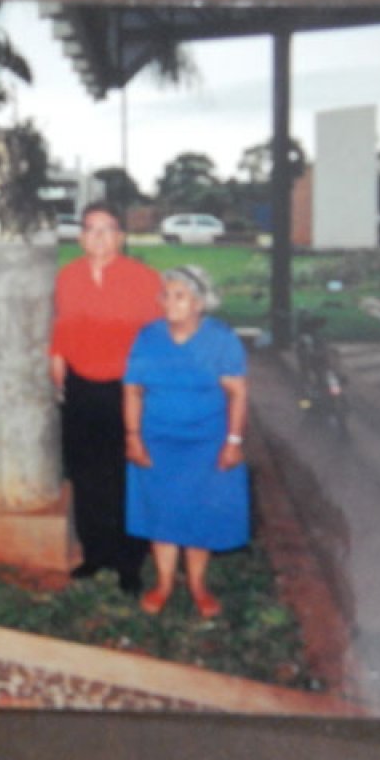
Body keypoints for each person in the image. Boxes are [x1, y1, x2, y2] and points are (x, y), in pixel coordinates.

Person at [48, 201, 163, 595]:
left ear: (121, 237)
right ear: (80, 237)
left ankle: (129, 561)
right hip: (82, 386)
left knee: (126, 475)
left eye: (106, 229)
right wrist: (57, 359)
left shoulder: (144, 279)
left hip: (126, 389)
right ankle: (95, 552)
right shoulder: (68, 276)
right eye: (90, 229)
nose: (97, 236)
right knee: (86, 472)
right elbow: (64, 324)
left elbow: (156, 337)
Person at [124, 265, 249, 619]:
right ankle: (164, 583)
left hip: (206, 442)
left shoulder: (222, 339)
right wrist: (133, 437)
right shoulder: (148, 337)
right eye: (166, 294)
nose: (169, 303)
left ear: (199, 303)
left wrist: (234, 441)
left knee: (200, 512)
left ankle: (197, 584)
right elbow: (133, 390)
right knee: (161, 511)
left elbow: (238, 393)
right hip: (158, 439)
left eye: (179, 296)